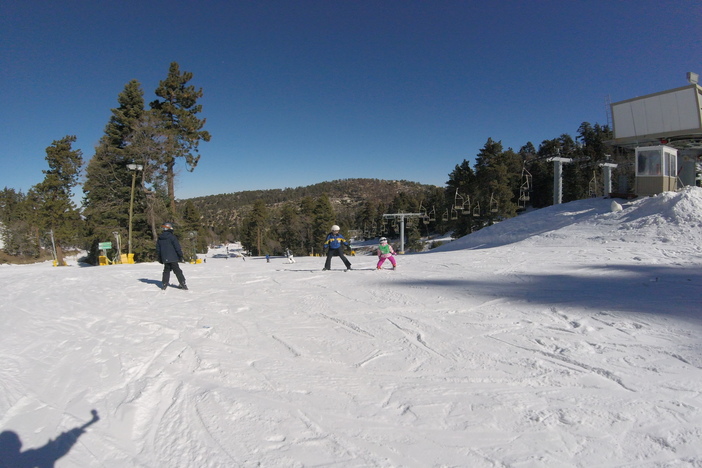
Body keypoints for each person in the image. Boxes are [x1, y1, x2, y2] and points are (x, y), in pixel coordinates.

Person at [156, 222, 188, 290]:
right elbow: (177, 247)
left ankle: (164, 283)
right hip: (173, 257)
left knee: (166, 270)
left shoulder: (160, 238)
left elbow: (158, 249)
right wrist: (180, 255)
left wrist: (160, 258)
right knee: (177, 271)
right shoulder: (172, 237)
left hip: (165, 257)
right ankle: (182, 283)